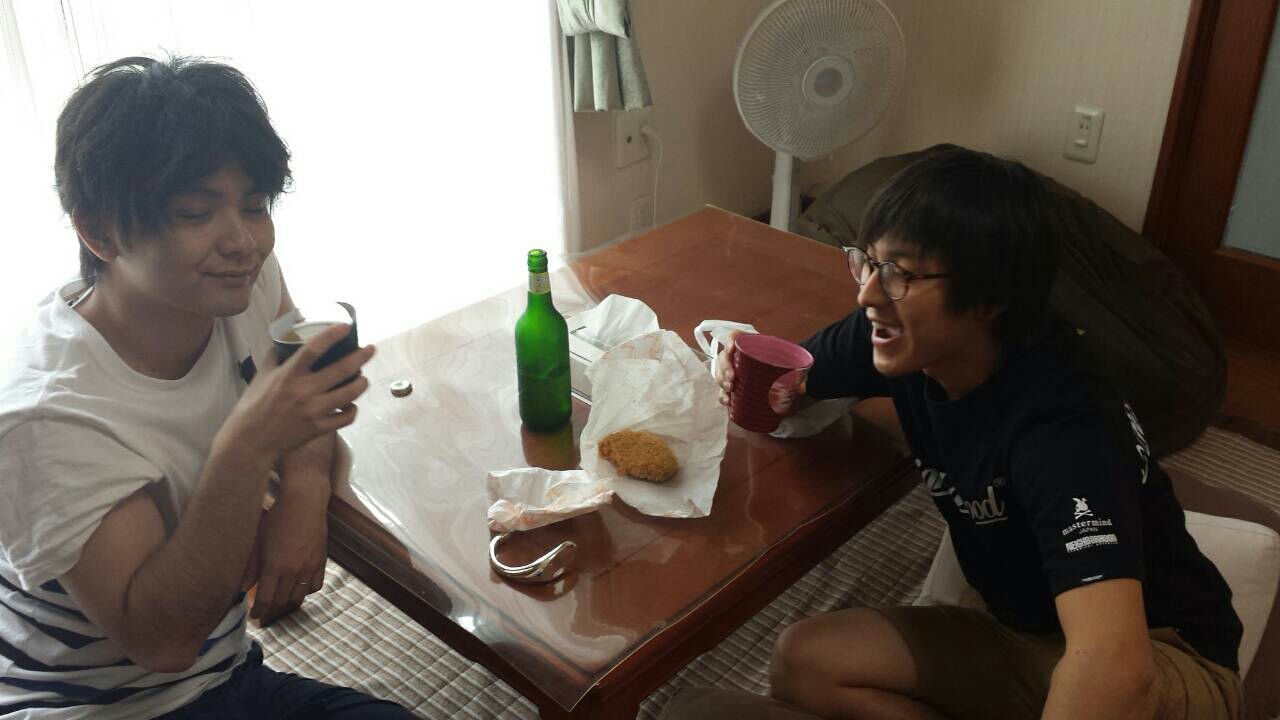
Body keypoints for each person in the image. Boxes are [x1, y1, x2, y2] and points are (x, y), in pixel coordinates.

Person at [693, 148, 1243, 720]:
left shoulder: (1063, 427)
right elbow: (794, 377)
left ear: (991, 296)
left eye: (900, 273)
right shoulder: (901, 338)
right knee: (803, 660)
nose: (868, 295)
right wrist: (746, 370)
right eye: (867, 263)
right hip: (1022, 626)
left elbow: (1115, 667)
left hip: (1159, 651)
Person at [0, 56, 416, 719]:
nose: (244, 242)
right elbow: (160, 641)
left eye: (255, 206)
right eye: (196, 212)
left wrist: (304, 489)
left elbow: (303, 394)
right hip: (93, 708)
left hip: (226, 677)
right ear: (100, 231)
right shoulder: (44, 415)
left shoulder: (238, 282)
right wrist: (246, 449)